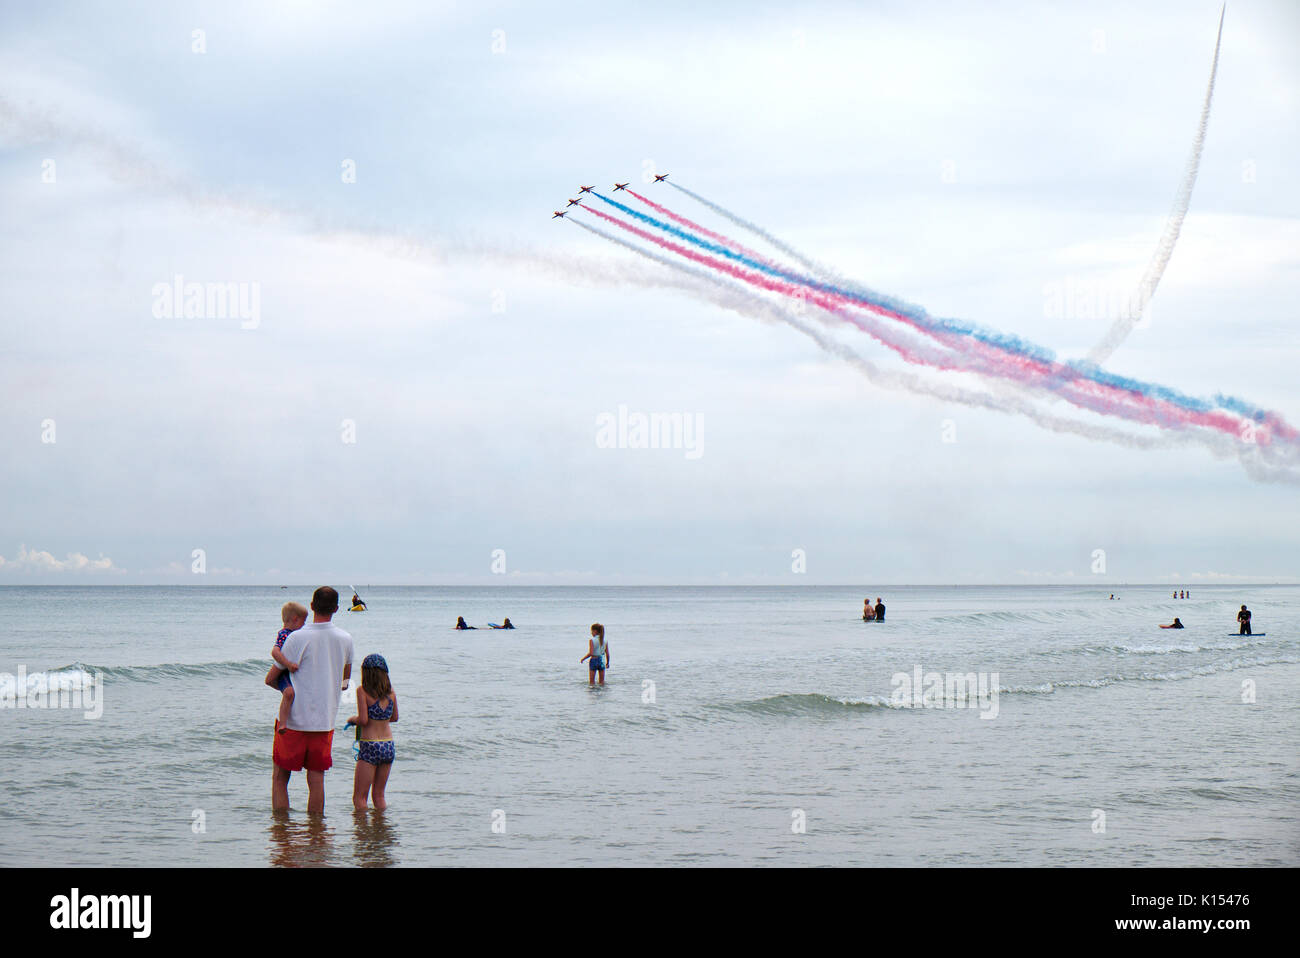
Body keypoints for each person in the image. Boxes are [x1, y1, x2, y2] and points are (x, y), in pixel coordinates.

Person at [271, 586, 354, 814]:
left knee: (280, 778)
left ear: (311, 606)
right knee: (317, 781)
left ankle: (282, 832)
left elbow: (273, 675)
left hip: (294, 722)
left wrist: (286, 690)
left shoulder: (296, 637)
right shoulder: (346, 639)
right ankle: (316, 834)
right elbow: (345, 677)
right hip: (324, 722)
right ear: (337, 608)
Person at [346, 653, 398, 811]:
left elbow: (363, 720)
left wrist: (352, 720)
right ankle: (380, 829)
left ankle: (362, 834)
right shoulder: (391, 693)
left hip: (370, 746)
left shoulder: (362, 691)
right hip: (388, 746)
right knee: (379, 795)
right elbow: (394, 718)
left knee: (360, 797)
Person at [264, 601, 308, 733]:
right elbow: (275, 652)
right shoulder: (284, 634)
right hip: (284, 672)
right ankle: (283, 723)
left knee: (293, 694)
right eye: (303, 621)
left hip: (289, 672)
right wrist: (288, 664)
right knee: (289, 693)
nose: (304, 625)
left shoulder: (296, 634)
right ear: (295, 619)